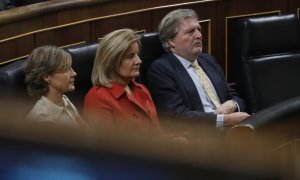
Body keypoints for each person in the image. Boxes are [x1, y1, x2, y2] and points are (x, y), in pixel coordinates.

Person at [147, 9, 250, 132]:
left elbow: (234, 96)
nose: (198, 35)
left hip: (232, 128)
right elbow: (177, 116)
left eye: (199, 29)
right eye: (190, 32)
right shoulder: (161, 69)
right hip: (200, 136)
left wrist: (233, 104)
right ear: (171, 41)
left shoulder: (207, 60)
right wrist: (223, 120)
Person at [83, 29, 162, 134]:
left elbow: (159, 136)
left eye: (137, 54)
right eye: (130, 56)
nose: (139, 61)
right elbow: (107, 147)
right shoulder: (97, 98)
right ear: (111, 61)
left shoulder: (141, 89)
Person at [25, 45, 88, 130]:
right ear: (46, 76)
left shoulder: (63, 100)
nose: (74, 73)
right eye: (65, 69)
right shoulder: (41, 120)